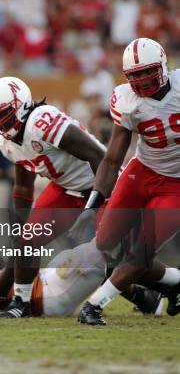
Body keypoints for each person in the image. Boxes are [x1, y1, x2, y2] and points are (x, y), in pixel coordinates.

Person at [71, 38, 180, 325]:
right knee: (104, 243)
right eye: (135, 75)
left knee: (141, 250)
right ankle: (176, 281)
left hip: (175, 183)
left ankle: (94, 305)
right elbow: (111, 159)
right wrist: (92, 205)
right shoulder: (126, 101)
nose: (143, 80)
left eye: (148, 72)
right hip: (141, 173)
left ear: (163, 66)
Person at [0, 76, 105, 318]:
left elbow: (97, 156)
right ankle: (21, 303)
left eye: (3, 114)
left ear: (22, 105)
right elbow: (24, 186)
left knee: (114, 253)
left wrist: (94, 207)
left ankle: (165, 286)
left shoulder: (41, 120)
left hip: (102, 184)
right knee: (28, 240)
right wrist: (20, 225)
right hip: (65, 189)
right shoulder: (6, 141)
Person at [0, 245, 164, 318]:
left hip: (42, 285)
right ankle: (172, 280)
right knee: (105, 249)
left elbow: (6, 279)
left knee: (95, 254)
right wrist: (20, 252)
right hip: (43, 297)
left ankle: (145, 299)